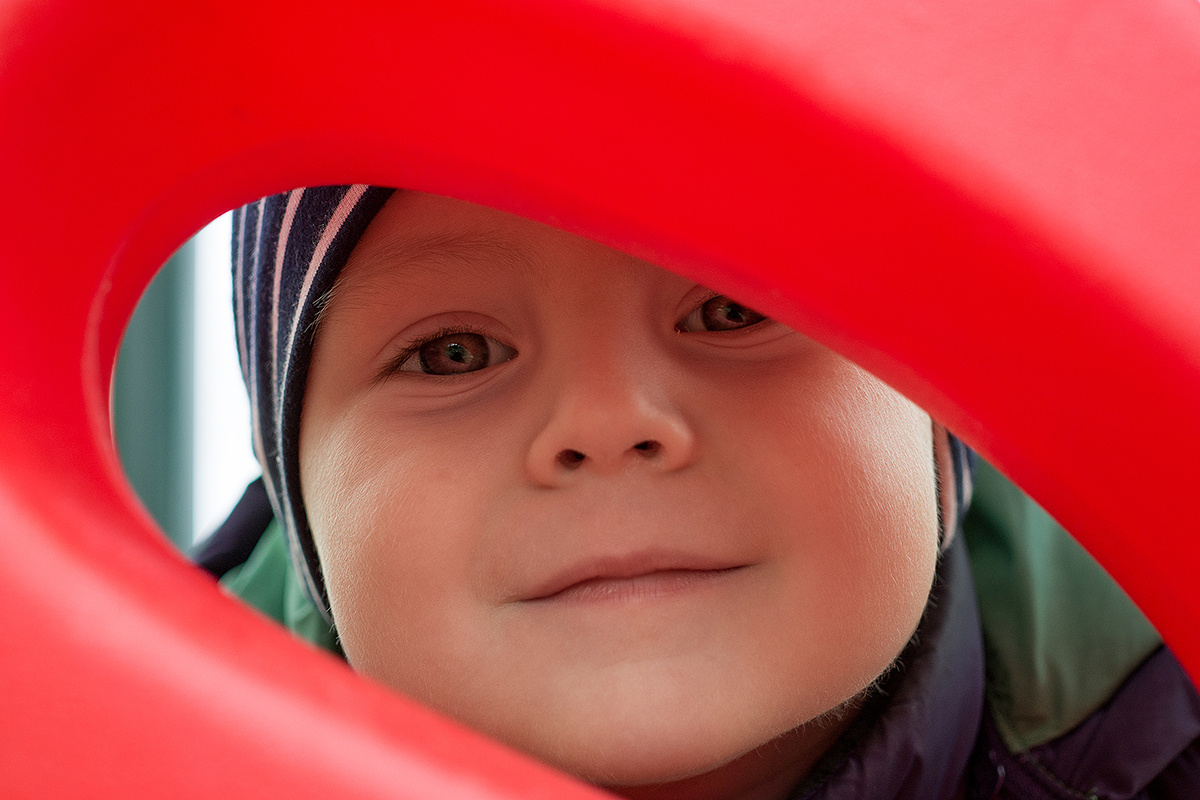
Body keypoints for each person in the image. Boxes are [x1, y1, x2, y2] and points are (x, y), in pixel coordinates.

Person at [195, 185, 1200, 799]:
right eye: (454, 353)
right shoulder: (145, 761)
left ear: (944, 419)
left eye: (731, 310)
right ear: (299, 490)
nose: (606, 421)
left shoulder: (1165, 714)